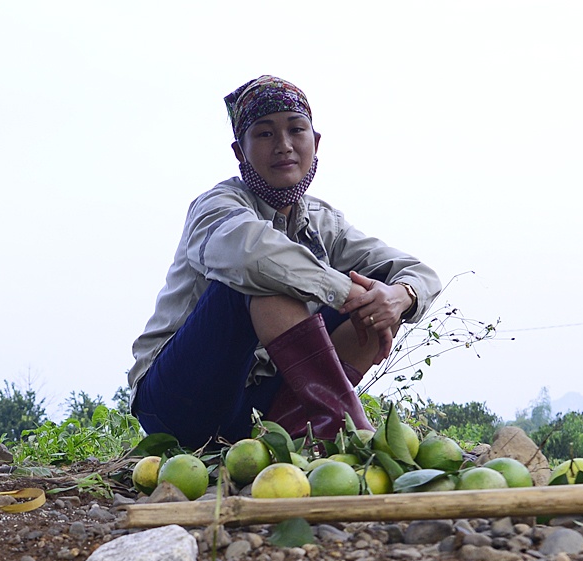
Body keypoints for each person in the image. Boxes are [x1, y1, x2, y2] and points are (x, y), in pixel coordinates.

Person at [128, 75, 441, 450]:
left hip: (253, 411)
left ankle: (293, 439)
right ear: (239, 151)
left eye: (296, 130)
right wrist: (345, 290)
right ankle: (354, 431)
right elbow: (251, 255)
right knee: (267, 283)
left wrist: (399, 296)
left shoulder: (326, 223)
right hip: (178, 402)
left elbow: (418, 271)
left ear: (316, 141)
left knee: (373, 312)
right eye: (264, 134)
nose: (284, 146)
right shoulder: (216, 207)